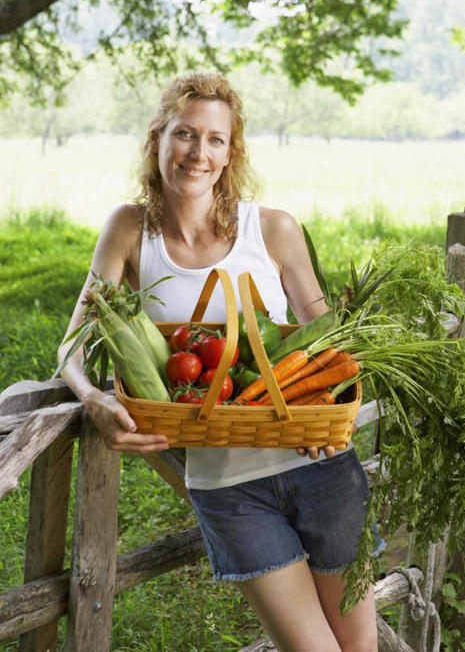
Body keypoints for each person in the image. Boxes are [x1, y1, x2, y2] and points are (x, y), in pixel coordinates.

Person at [58, 72, 380, 652]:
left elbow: (331, 341)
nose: (197, 153)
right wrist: (94, 398)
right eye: (184, 133)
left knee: (359, 647)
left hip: (322, 468)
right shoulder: (130, 230)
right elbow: (72, 346)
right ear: (158, 139)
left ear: (231, 153)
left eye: (215, 139)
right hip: (230, 490)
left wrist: (329, 413)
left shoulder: (273, 229)